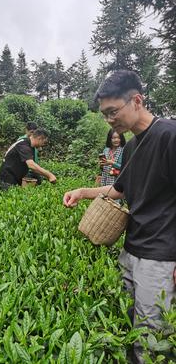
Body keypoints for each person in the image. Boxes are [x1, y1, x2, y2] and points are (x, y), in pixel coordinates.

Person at [63, 70, 176, 363]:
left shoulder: (169, 136)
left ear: (136, 100)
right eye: (104, 114)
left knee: (152, 338)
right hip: (132, 249)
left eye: (113, 112)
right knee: (129, 324)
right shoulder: (132, 145)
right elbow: (120, 189)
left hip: (160, 257)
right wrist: (83, 191)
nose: (109, 120)